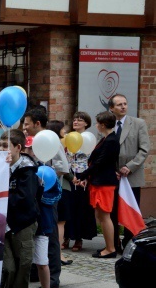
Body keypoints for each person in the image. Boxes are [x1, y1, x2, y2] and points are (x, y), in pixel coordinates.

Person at [23, 109, 68, 288]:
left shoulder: (50, 140)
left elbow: (63, 167)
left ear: (37, 124)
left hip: (48, 197)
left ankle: (54, 277)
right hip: (32, 196)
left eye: (27, 123)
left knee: (49, 236)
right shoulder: (28, 142)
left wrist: (45, 176)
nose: (24, 127)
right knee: (35, 233)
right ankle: (36, 271)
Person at [0, 129, 40, 288]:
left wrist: (2, 198)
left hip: (22, 225)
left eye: (6, 146)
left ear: (18, 148)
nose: (1, 150)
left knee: (22, 266)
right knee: (9, 267)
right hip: (4, 224)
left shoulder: (27, 170)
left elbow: (24, 199)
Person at [74, 111, 121, 259]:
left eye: (97, 123)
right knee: (100, 215)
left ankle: (111, 248)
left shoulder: (111, 140)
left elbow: (100, 163)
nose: (96, 125)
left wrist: (82, 174)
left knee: (105, 216)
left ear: (103, 124)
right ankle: (108, 245)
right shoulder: (106, 139)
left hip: (104, 183)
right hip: (98, 181)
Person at [107, 94, 151, 250]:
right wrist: (112, 169)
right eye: (119, 105)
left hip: (131, 175)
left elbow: (144, 149)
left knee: (131, 210)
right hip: (113, 176)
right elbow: (103, 150)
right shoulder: (107, 124)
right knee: (112, 210)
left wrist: (130, 166)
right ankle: (113, 242)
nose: (123, 107)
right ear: (111, 108)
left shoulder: (138, 123)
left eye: (125, 103)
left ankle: (129, 242)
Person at [65, 112, 98, 251]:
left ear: (86, 123)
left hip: (83, 175)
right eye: (74, 119)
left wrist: (85, 177)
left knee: (80, 208)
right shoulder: (68, 137)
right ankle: (66, 237)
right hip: (68, 174)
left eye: (80, 120)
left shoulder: (89, 138)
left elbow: (92, 159)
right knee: (68, 206)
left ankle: (78, 238)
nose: (76, 122)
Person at [46, 120, 73, 265]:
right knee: (60, 222)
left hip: (53, 188)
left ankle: (58, 254)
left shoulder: (50, 141)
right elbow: (63, 167)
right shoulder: (55, 142)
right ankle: (59, 254)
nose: (65, 131)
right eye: (63, 129)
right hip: (58, 188)